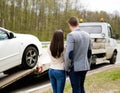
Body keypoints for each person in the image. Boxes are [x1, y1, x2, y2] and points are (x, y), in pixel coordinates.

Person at [65, 16, 92, 93]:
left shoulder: (71, 35)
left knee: (76, 88)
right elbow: (89, 52)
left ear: (69, 24)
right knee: (81, 86)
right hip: (85, 66)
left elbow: (69, 54)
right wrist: (88, 64)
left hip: (75, 67)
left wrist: (67, 67)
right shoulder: (87, 35)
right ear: (78, 23)